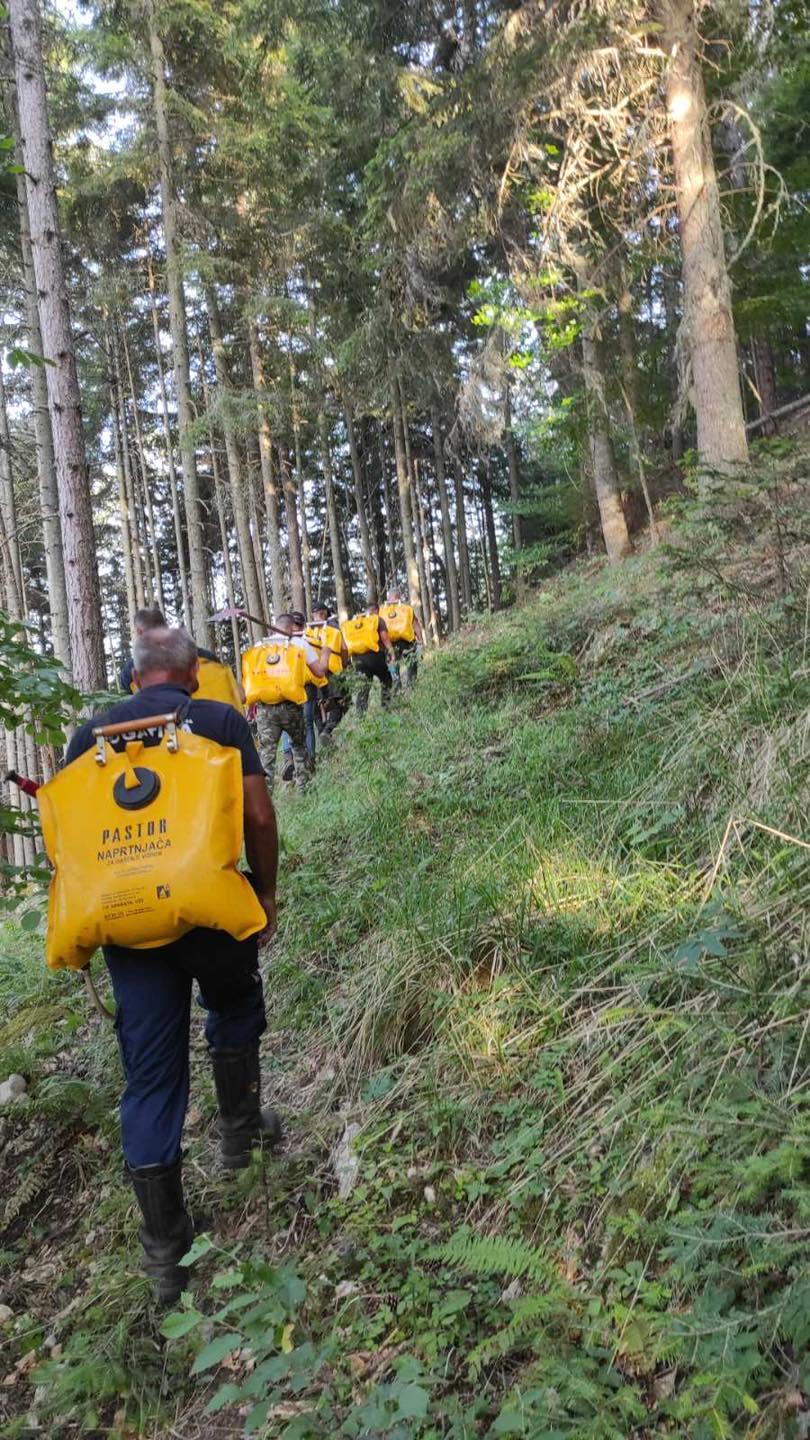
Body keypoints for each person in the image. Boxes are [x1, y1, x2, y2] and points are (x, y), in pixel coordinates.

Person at [66, 627, 280, 1305]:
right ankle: (239, 1140)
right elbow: (258, 815)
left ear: (132, 679)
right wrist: (265, 891)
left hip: (131, 928)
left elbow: (72, 848)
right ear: (191, 674)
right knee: (234, 1005)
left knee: (151, 1077)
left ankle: (166, 1256)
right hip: (212, 909)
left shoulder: (88, 738)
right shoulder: (216, 718)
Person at [254, 613, 330, 791]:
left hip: (265, 709)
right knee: (299, 746)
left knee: (266, 754)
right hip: (291, 707)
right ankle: (304, 788)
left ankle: (265, 796)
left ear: (275, 625)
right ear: (291, 628)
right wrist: (325, 653)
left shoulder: (260, 645)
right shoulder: (299, 644)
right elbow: (319, 672)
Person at [120, 607, 241, 709]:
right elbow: (241, 696)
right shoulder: (207, 658)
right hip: (213, 729)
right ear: (165, 626)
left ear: (139, 632)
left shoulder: (132, 672)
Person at [342, 603, 396, 716]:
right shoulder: (377, 620)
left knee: (364, 686)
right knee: (386, 680)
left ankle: (360, 715)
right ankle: (387, 708)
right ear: (376, 610)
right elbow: (385, 638)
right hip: (375, 657)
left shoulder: (355, 623)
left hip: (357, 659)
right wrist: (392, 652)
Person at [307, 603, 350, 740]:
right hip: (333, 672)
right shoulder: (334, 628)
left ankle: (322, 731)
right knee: (340, 703)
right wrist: (344, 664)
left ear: (314, 615)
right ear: (325, 612)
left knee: (319, 705)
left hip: (314, 673)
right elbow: (344, 648)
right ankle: (328, 730)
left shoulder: (307, 632)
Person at [381, 589, 424, 689]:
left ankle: (397, 690)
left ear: (388, 597)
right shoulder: (406, 608)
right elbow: (416, 625)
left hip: (390, 645)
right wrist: (420, 641)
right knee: (411, 665)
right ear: (399, 596)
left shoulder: (382, 611)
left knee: (393, 667)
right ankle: (412, 687)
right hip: (407, 643)